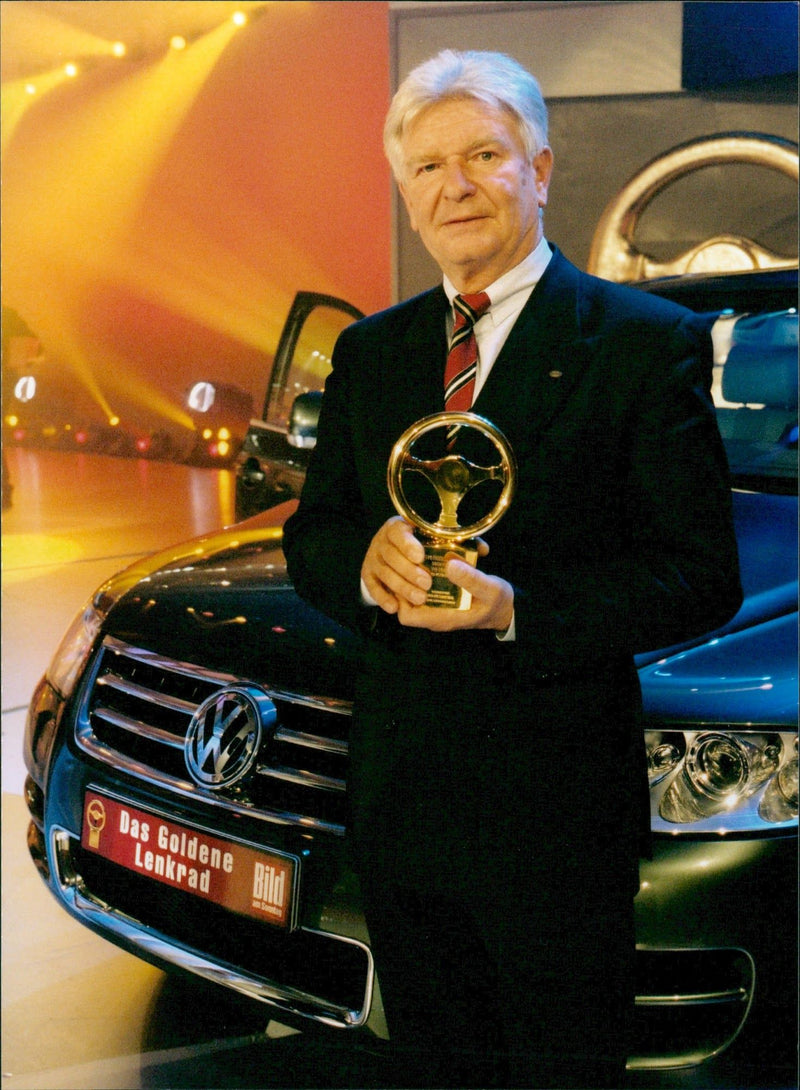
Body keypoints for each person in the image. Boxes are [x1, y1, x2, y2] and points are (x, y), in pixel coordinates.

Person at [283, 49, 742, 1089]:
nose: (454, 185)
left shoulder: (642, 342)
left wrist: (512, 611)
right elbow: (312, 536)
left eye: (482, 154)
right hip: (401, 801)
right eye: (428, 166)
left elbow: (694, 574)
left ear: (538, 165)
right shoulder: (375, 351)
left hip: (553, 814)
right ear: (405, 195)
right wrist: (360, 561)